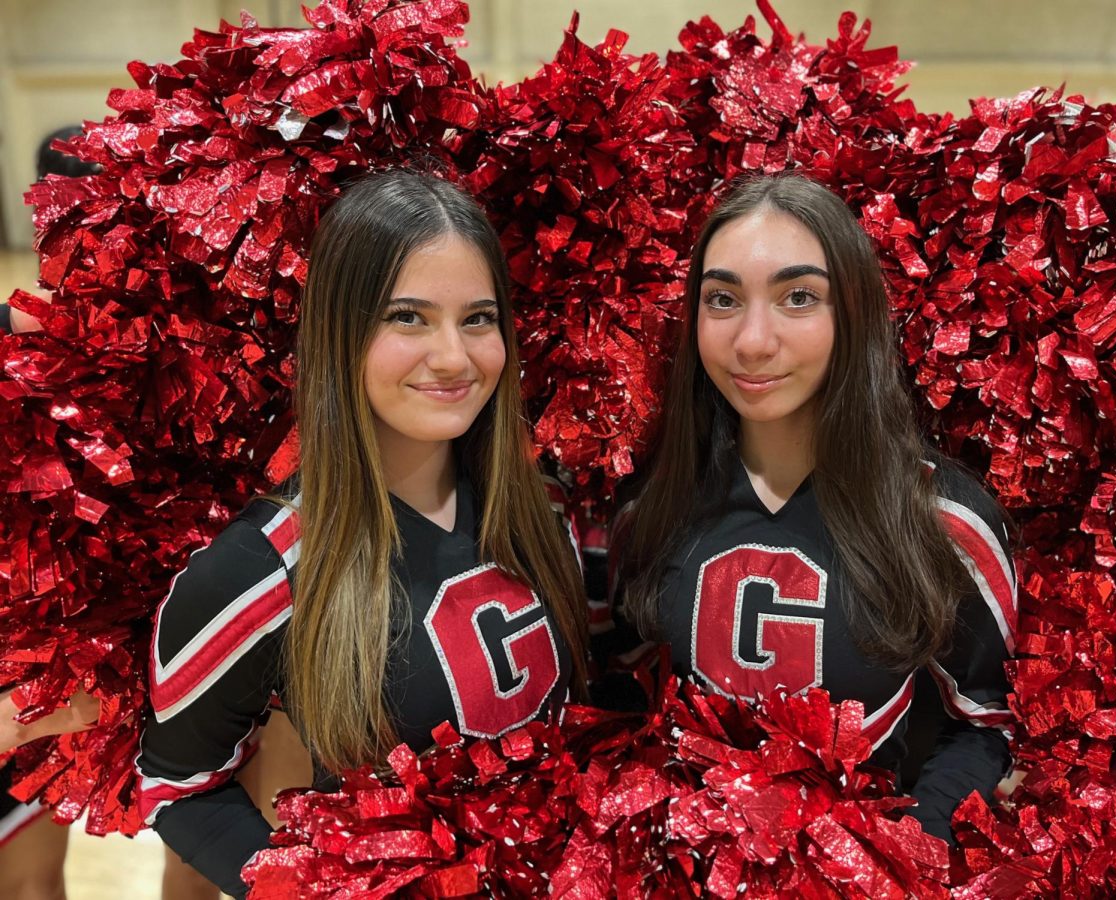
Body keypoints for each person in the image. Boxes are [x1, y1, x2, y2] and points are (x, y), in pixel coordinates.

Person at [134, 169, 590, 898]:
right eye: (407, 317)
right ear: (342, 330)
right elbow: (176, 783)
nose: (453, 357)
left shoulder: (544, 511)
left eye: (478, 318)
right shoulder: (260, 569)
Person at [614, 172, 1016, 843]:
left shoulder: (944, 519)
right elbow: (633, 698)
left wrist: (903, 855)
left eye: (798, 297)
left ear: (851, 314)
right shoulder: (648, 508)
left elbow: (987, 721)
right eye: (722, 300)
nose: (752, 341)